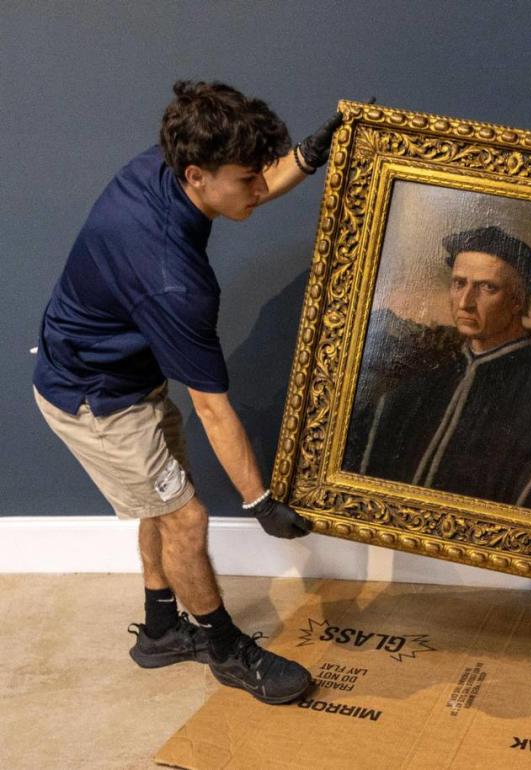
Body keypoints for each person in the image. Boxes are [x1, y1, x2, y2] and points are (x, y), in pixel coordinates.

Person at [33, 81, 342, 705]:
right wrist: (260, 503)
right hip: (95, 398)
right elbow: (211, 406)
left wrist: (309, 154)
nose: (259, 189)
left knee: (162, 498)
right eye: (246, 178)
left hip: (124, 373)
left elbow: (247, 187)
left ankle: (159, 630)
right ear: (198, 175)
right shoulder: (174, 280)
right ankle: (226, 650)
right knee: (186, 516)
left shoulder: (165, 162)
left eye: (262, 173)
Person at [344, 225, 531, 515]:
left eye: (487, 287)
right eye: (459, 283)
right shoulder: (416, 390)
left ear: (516, 301)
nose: (465, 302)